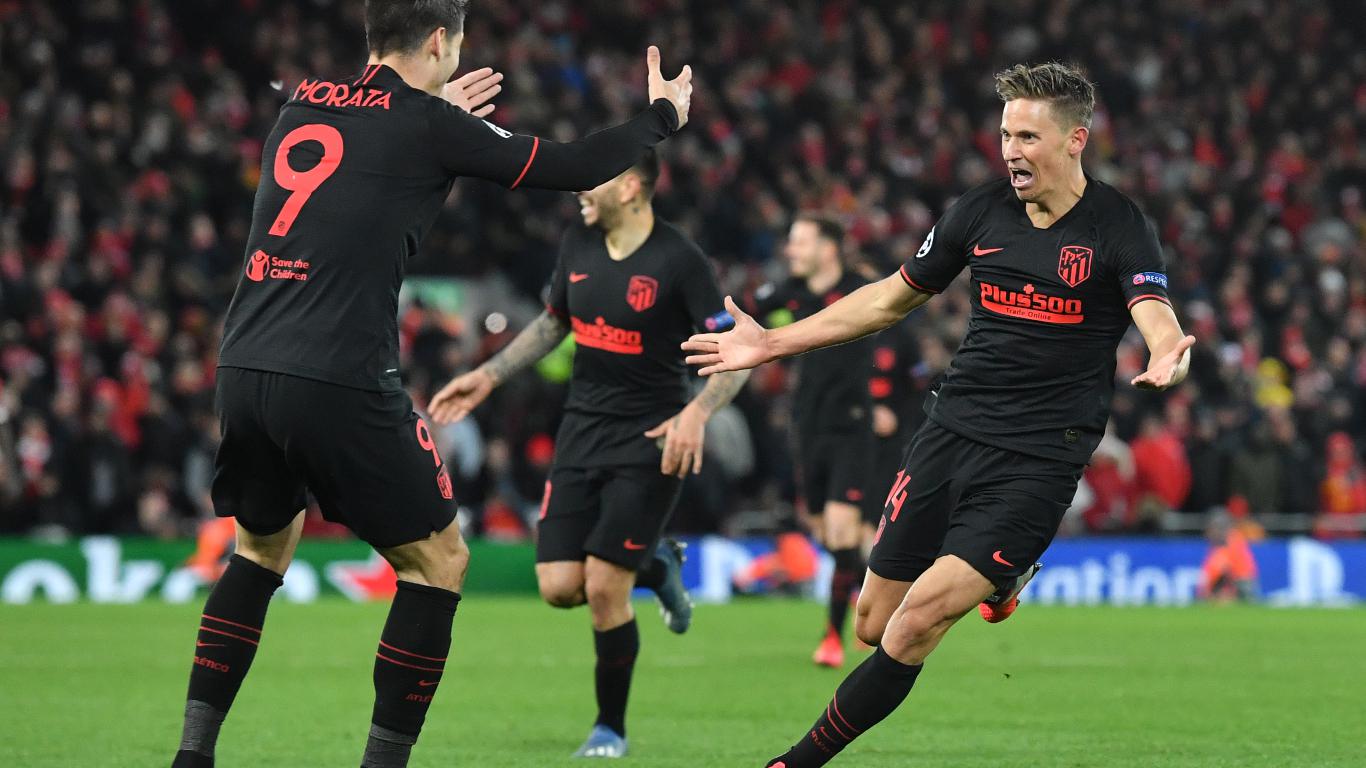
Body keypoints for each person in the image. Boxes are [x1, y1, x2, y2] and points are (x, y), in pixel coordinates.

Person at [170, 0, 694, 765]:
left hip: (245, 365)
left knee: (257, 554)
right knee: (439, 562)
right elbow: (577, 167)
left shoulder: (301, 103)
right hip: (339, 375)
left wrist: (433, 113)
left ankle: (192, 756)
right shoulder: (428, 125)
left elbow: (365, 149)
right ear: (442, 41)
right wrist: (660, 117)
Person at [683, 62, 1195, 767]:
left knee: (917, 622)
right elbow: (889, 298)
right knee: (873, 624)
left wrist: (1168, 352)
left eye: (1029, 136)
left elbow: (1154, 312)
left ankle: (793, 763)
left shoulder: (1117, 225)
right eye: (1006, 133)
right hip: (950, 433)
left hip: (1041, 455)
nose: (1012, 149)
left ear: (1076, 140)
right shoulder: (979, 212)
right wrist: (771, 342)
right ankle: (1006, 580)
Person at [428, 150, 748, 758]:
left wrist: (697, 412)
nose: (579, 188)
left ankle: (610, 729)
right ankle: (657, 565)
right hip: (581, 433)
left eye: (592, 178)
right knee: (557, 588)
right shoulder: (577, 239)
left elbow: (737, 350)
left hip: (650, 439)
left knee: (604, 589)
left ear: (630, 187)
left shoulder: (679, 261)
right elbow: (554, 323)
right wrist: (488, 376)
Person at [749, 214, 879, 669]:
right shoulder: (788, 292)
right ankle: (880, 598)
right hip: (807, 428)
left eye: (800, 241)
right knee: (829, 536)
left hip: (851, 426)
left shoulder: (863, 289)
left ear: (828, 248)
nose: (791, 250)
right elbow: (747, 316)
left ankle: (832, 637)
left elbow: (897, 337)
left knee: (844, 531)